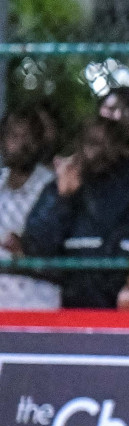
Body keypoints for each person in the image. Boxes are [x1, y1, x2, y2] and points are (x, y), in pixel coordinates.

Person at [23, 118, 129, 309]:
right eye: (91, 142)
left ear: (122, 147)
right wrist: (62, 199)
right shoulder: (64, 184)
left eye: (106, 143)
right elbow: (37, 246)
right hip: (78, 301)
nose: (97, 151)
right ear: (79, 145)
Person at [0, 107, 60, 310]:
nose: (22, 144)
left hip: (34, 299)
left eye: (29, 137)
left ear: (40, 143)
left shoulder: (52, 188)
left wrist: (25, 248)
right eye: (14, 136)